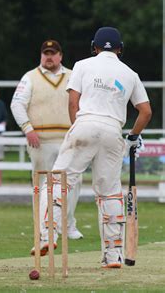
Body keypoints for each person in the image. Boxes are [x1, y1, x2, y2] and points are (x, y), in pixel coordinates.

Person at [32, 27, 151, 268]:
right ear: (120, 49)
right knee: (109, 191)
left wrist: (81, 130)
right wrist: (132, 136)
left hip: (85, 123)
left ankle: (48, 236)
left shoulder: (82, 65)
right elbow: (146, 111)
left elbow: (73, 101)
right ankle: (113, 255)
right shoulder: (130, 73)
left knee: (59, 180)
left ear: (94, 47)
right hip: (113, 132)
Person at [11, 39, 83, 240]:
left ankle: (68, 225)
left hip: (69, 139)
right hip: (40, 141)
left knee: (72, 182)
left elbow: (82, 103)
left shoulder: (72, 76)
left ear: (60, 56)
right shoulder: (30, 77)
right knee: (44, 183)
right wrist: (27, 128)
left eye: (53, 53)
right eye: (46, 53)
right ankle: (44, 227)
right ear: (41, 55)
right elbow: (16, 105)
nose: (49, 57)